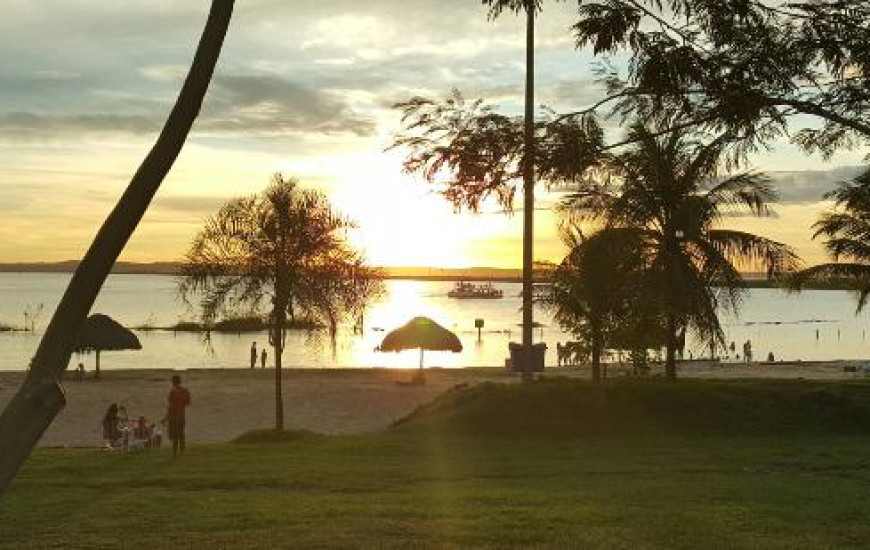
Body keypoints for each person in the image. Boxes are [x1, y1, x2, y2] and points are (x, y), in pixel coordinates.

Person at [166, 375, 191, 457]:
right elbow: (188, 403)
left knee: (175, 436)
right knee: (181, 434)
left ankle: (175, 453)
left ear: (173, 382)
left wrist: (166, 417)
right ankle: (182, 452)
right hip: (182, 416)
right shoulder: (185, 391)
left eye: (172, 381)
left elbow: (171, 406)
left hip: (173, 416)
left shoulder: (173, 392)